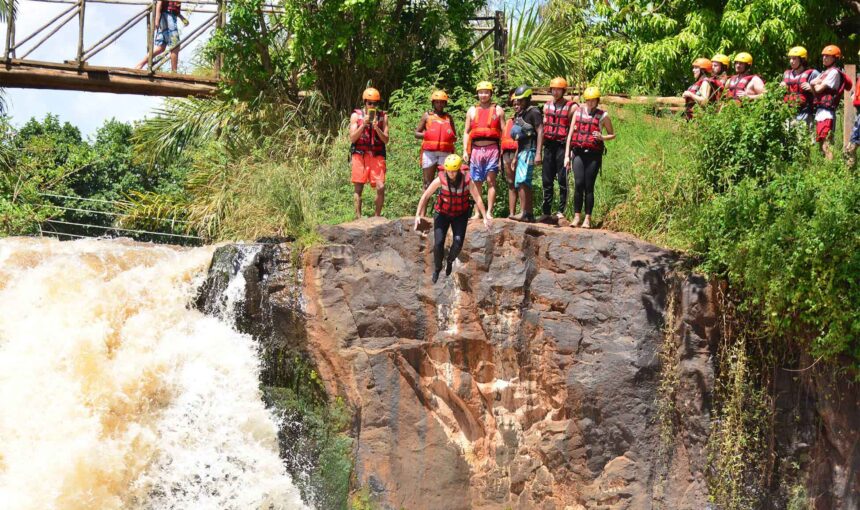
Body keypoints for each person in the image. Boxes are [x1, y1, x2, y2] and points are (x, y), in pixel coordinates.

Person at [414, 154, 491, 283]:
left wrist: (484, 217)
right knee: (438, 243)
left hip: (460, 214)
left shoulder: (467, 180)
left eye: (454, 171)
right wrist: (417, 215)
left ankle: (450, 260)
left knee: (458, 241)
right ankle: (437, 268)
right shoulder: (441, 178)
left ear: (459, 169)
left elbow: (477, 198)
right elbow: (426, 195)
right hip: (442, 214)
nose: (451, 174)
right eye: (449, 171)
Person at [564, 87, 616, 229]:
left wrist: (602, 136)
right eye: (588, 100)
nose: (591, 103)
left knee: (589, 186)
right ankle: (576, 217)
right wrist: (567, 155)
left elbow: (612, 134)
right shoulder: (578, 112)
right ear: (585, 100)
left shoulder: (603, 116)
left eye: (593, 100)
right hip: (578, 153)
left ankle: (587, 219)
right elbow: (569, 135)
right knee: (579, 184)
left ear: (597, 101)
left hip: (593, 154)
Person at [463, 81, 505, 217]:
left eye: (486, 92)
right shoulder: (472, 110)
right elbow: (466, 132)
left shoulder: (498, 110)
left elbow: (504, 132)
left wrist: (503, 152)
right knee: (476, 182)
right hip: (475, 150)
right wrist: (465, 150)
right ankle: (477, 212)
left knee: (491, 181)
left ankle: (489, 211)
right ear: (477, 94)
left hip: (492, 149)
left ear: (491, 93)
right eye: (481, 92)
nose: (483, 95)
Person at [349, 87, 390, 218]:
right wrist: (363, 125)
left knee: (381, 187)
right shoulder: (356, 116)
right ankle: (358, 218)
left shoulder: (383, 117)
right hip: (360, 153)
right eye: (369, 103)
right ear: (365, 102)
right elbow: (352, 138)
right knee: (358, 188)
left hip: (376, 154)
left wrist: (377, 127)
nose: (372, 106)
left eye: (375, 103)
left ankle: (377, 217)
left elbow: (386, 139)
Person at [541, 77, 577, 221]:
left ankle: (561, 210)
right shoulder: (546, 106)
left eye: (558, 90)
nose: (555, 92)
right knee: (546, 179)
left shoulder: (571, 107)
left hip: (563, 146)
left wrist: (570, 151)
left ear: (563, 91)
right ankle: (546, 210)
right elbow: (543, 127)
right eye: (553, 89)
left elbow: (572, 130)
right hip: (549, 145)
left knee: (563, 179)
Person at [811, 45, 853, 159]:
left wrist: (814, 83)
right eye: (823, 56)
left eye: (828, 56)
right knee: (820, 145)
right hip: (820, 111)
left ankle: (830, 171)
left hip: (827, 112)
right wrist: (814, 83)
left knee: (826, 145)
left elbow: (818, 89)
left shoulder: (834, 73)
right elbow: (815, 91)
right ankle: (823, 170)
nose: (824, 58)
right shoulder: (824, 72)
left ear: (835, 58)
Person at [509, 85, 543, 222]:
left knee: (523, 181)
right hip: (522, 150)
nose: (519, 103)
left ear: (528, 99)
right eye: (518, 100)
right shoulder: (520, 114)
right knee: (522, 182)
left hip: (530, 150)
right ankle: (528, 214)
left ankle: (524, 212)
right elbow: (521, 139)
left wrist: (538, 153)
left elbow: (540, 131)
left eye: (522, 100)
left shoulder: (533, 112)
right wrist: (515, 156)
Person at [416, 90, 457, 189]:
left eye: (442, 102)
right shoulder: (427, 116)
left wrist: (449, 137)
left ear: (445, 103)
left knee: (446, 182)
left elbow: (454, 135)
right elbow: (416, 133)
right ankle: (423, 204)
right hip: (429, 153)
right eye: (437, 102)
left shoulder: (448, 118)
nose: (439, 104)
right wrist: (428, 135)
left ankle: (443, 204)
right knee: (427, 183)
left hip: (445, 153)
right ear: (433, 103)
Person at [135, 1, 182, 72]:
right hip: (168, 16)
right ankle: (174, 72)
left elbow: (174, 8)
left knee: (161, 47)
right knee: (175, 45)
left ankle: (140, 64)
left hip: (168, 16)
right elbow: (159, 2)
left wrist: (181, 17)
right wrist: (156, 19)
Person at [781, 46, 819, 129]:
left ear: (802, 60)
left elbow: (822, 93)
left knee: (803, 139)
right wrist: (780, 88)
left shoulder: (813, 73)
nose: (791, 61)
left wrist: (811, 88)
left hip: (805, 112)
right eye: (790, 59)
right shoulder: (786, 74)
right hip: (788, 112)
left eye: (794, 59)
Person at [500, 111, 520, 217]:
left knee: (520, 182)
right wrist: (500, 159)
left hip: (517, 152)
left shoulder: (523, 121)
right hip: (506, 152)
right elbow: (502, 139)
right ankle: (512, 213)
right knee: (511, 183)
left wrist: (516, 156)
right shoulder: (508, 121)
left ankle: (523, 212)